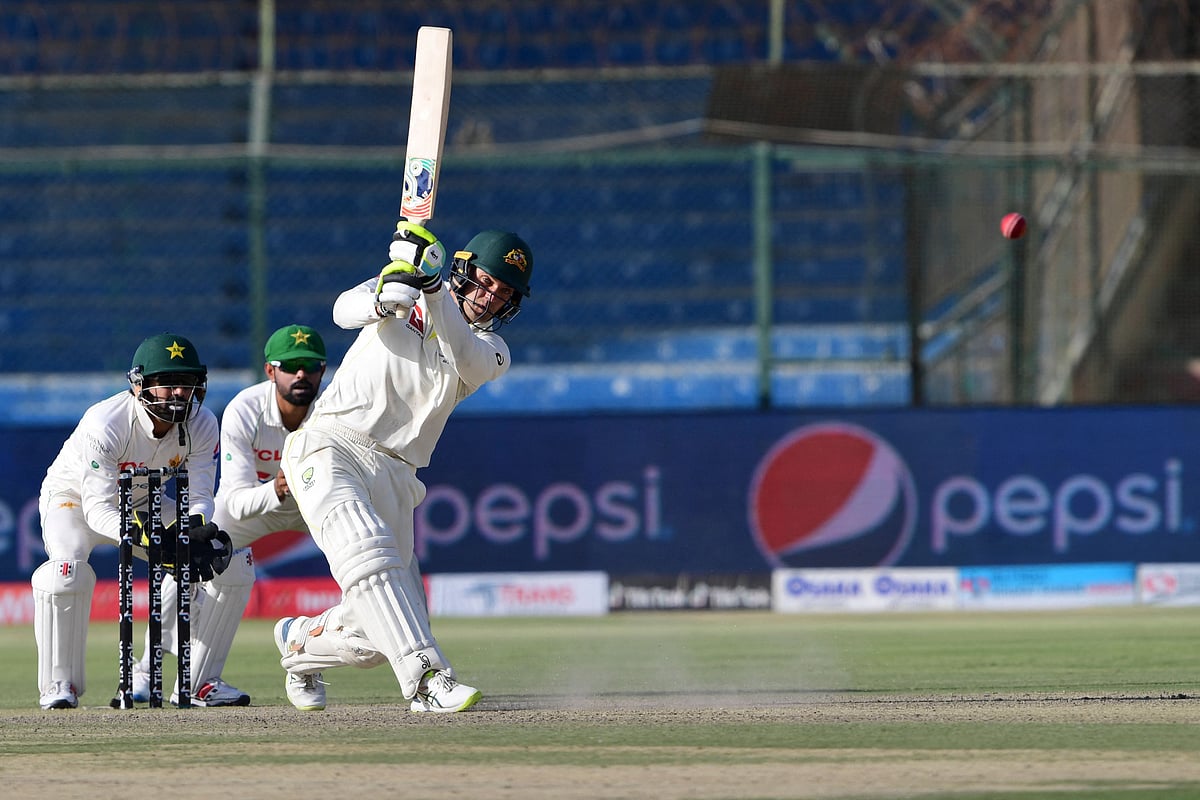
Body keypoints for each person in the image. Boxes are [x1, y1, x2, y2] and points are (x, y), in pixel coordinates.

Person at [273, 221, 533, 712]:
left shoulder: (493, 352)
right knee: (365, 548)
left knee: (371, 638)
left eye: (504, 294)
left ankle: (300, 642)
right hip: (332, 443)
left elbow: (463, 354)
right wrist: (384, 296)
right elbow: (341, 310)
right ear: (464, 271)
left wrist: (431, 289)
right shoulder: (405, 291)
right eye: (486, 281)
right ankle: (426, 679)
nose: (492, 297)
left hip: (398, 472)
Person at [128, 324, 328, 707]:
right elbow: (234, 500)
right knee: (197, 553)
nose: (300, 374)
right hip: (255, 505)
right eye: (290, 366)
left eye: (309, 366)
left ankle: (199, 683)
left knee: (378, 550)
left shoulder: (333, 409)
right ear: (271, 371)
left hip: (314, 505)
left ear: (322, 370)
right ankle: (145, 668)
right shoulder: (246, 408)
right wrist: (277, 489)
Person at [33, 333, 232, 710]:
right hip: (74, 502)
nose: (179, 394)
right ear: (138, 385)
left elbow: (201, 494)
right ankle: (60, 682)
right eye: (167, 384)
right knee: (66, 569)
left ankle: (173, 676)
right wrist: (152, 537)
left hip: (146, 501)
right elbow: (98, 510)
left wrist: (193, 528)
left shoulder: (203, 423)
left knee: (221, 558)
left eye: (186, 384)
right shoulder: (105, 422)